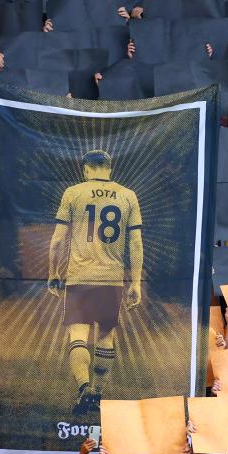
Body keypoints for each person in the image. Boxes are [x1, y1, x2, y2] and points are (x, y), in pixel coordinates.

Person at [46, 149, 144, 413]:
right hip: (111, 278)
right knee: (105, 336)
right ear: (110, 170)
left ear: (86, 169)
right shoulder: (128, 196)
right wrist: (135, 282)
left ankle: (82, 388)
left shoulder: (73, 193)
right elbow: (135, 242)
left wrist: (54, 272)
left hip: (80, 276)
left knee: (78, 334)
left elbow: (57, 240)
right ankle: (97, 392)